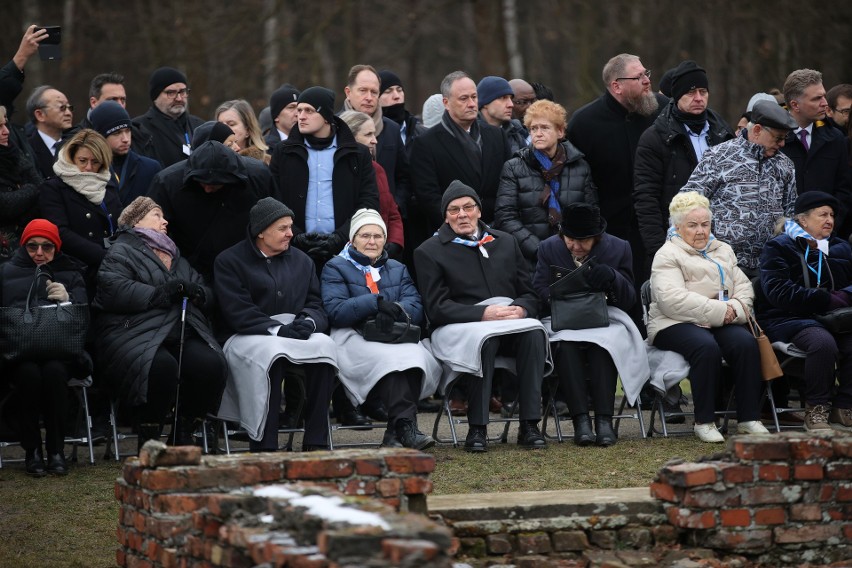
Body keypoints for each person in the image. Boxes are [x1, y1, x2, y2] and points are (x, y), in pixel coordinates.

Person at [414, 181, 550, 452]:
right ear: (445, 216)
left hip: (509, 322)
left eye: (467, 207)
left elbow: (530, 293)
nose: (461, 214)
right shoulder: (428, 251)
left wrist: (522, 309)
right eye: (454, 210)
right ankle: (478, 428)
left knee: (534, 333)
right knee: (484, 341)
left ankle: (530, 424)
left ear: (478, 210)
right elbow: (437, 307)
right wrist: (482, 314)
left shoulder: (506, 242)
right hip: (460, 326)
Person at [93, 197, 227, 451]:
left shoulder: (173, 253)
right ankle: (149, 433)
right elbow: (112, 288)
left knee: (210, 364)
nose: (164, 221)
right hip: (133, 329)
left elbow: (204, 288)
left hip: (181, 328)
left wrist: (197, 292)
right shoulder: (120, 250)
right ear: (136, 221)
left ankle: (184, 431)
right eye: (156, 215)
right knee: (160, 367)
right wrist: (160, 293)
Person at [215, 197, 337, 451]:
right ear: (261, 230)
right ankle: (264, 443)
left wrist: (309, 322)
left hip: (294, 331)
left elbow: (316, 303)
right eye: (283, 228)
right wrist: (277, 329)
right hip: (247, 334)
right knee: (272, 355)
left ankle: (317, 441)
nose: (291, 234)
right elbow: (237, 310)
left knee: (325, 349)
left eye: (290, 227)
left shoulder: (302, 261)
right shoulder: (229, 261)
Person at [647, 191, 771, 442]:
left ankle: (749, 418)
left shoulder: (722, 249)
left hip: (720, 319)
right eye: (692, 225)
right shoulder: (667, 254)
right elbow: (671, 300)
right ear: (678, 227)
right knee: (705, 347)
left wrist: (732, 311)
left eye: (705, 224)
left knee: (746, 343)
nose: (701, 231)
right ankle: (704, 421)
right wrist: (720, 311)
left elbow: (744, 288)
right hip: (672, 322)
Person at [320, 208, 439, 449]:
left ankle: (397, 433)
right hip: (352, 335)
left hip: (394, 333)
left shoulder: (397, 267)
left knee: (416, 356)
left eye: (378, 236)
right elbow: (335, 310)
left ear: (385, 239)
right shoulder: (335, 267)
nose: (372, 241)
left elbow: (415, 306)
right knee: (391, 361)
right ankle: (404, 428)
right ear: (352, 239)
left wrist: (395, 310)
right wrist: (374, 304)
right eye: (365, 235)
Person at [533, 203, 647, 446]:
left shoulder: (619, 247)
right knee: (565, 345)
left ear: (597, 237)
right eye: (570, 240)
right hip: (563, 318)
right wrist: (562, 292)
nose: (575, 246)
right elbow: (539, 288)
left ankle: (604, 421)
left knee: (604, 345)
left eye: (583, 241)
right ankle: (581, 421)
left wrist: (613, 277)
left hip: (606, 316)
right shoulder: (548, 247)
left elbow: (629, 299)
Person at [567, 53, 668, 290]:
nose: (647, 80)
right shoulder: (584, 123)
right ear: (617, 86)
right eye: (638, 76)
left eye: (646, 73)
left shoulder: (664, 110)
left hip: (662, 226)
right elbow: (576, 183)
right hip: (613, 233)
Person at [757, 191, 852, 432]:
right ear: (803, 220)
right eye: (822, 214)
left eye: (832, 215)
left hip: (833, 317)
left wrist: (845, 295)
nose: (829, 219)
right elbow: (777, 291)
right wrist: (825, 299)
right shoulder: (779, 246)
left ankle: (843, 406)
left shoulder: (841, 247)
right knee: (822, 342)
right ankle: (817, 409)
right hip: (786, 317)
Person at [0, 219, 87, 476]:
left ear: (56, 248)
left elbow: (84, 318)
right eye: (32, 246)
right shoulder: (6, 272)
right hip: (18, 352)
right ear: (23, 246)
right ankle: (32, 450)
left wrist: (69, 300)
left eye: (47, 247)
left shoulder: (70, 272)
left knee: (54, 373)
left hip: (59, 351)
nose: (39, 253)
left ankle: (56, 449)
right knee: (28, 375)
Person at [679, 100, 798, 276]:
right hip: (721, 265)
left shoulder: (785, 165)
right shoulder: (719, 156)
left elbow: (791, 211)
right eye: (778, 138)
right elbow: (688, 202)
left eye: (785, 138)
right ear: (757, 130)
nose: (782, 144)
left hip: (768, 265)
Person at [633, 60, 734, 262]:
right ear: (677, 96)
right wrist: (658, 250)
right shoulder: (655, 138)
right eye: (690, 93)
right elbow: (646, 199)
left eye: (703, 92)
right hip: (675, 242)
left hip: (720, 242)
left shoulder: (723, 133)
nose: (698, 98)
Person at [269, 86, 379, 270]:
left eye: (309, 111)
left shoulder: (356, 153)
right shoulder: (284, 152)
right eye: (299, 110)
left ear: (327, 115)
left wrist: (341, 237)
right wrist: (295, 235)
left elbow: (368, 201)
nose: (301, 116)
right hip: (294, 251)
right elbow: (273, 198)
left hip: (346, 251)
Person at [494, 99, 597, 269]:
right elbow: (505, 217)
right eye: (533, 128)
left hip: (573, 257)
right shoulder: (514, 167)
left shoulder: (579, 166)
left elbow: (591, 214)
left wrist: (575, 247)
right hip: (529, 260)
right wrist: (541, 250)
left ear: (560, 131)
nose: (538, 133)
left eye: (544, 127)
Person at [409, 71, 511, 232]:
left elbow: (508, 184)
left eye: (474, 97)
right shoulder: (426, 143)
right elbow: (428, 197)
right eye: (464, 98)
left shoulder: (497, 135)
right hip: (452, 233)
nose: (471, 103)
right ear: (446, 102)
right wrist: (461, 224)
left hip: (498, 229)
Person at [38, 128, 122, 297]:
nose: (88, 168)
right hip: (77, 271)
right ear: (71, 157)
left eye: (95, 162)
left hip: (112, 269)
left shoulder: (108, 184)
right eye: (82, 160)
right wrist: (102, 256)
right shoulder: (54, 188)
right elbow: (60, 232)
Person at [780, 69, 852, 238]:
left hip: (827, 238)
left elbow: (844, 190)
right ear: (795, 105)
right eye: (816, 98)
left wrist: (828, 227)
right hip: (783, 238)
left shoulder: (835, 139)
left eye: (824, 96)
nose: (825, 103)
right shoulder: (776, 141)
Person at [338, 110, 404, 259]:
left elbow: (393, 213)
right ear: (350, 137)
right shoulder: (338, 173)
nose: (375, 140)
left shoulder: (378, 170)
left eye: (374, 134)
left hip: (381, 254)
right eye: (368, 135)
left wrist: (394, 243)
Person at [89, 101, 161, 205]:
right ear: (101, 137)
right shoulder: (89, 169)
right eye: (117, 133)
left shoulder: (150, 168)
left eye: (127, 130)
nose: (125, 139)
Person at [134, 67, 203, 167]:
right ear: (155, 96)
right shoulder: (139, 129)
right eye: (171, 93)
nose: (179, 98)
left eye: (182, 92)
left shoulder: (199, 126)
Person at [0, 105, 41, 262]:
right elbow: (4, 205)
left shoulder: (12, 152)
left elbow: (41, 187)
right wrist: (30, 190)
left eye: (5, 124)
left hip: (25, 245)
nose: (6, 131)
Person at [25, 85, 75, 179]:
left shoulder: (77, 145)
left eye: (70, 107)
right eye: (62, 107)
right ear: (40, 115)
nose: (69, 113)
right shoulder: (26, 151)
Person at [477, 76, 529, 155]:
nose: (511, 104)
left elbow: (535, 165)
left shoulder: (516, 132)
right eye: (503, 98)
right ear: (485, 103)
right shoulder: (471, 134)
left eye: (510, 98)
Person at [215, 99, 270, 164]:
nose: (223, 129)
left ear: (248, 130)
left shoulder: (267, 164)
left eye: (231, 124)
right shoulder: (210, 162)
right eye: (220, 125)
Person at [265, 84, 300, 149]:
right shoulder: (264, 147)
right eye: (291, 107)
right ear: (276, 116)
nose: (297, 114)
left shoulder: (311, 143)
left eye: (299, 109)